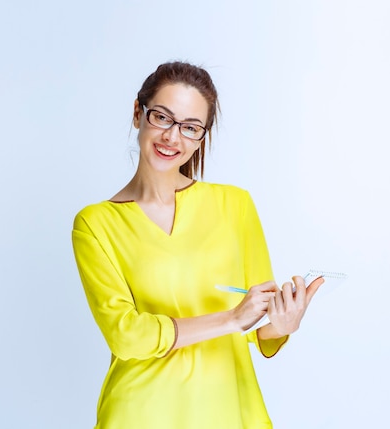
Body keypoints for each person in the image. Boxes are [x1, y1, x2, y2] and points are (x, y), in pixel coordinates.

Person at [71, 61, 325, 429]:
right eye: (162, 118)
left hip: (229, 413)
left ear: (201, 136)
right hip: (141, 414)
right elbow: (126, 336)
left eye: (190, 128)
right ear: (138, 113)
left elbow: (260, 328)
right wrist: (231, 319)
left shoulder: (235, 205)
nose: (173, 138)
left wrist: (283, 323)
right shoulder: (95, 224)